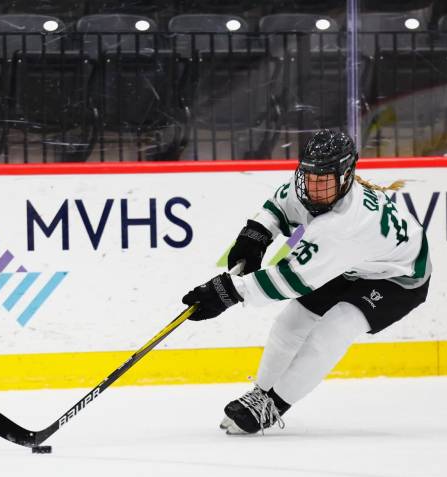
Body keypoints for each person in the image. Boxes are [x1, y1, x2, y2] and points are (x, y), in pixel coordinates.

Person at [182, 128, 432, 435]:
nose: (313, 188)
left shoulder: (345, 226)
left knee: (335, 328)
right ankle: (259, 394)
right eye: (309, 177)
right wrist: (255, 235)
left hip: (398, 278)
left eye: (322, 180)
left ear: (346, 176)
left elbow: (290, 280)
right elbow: (279, 206)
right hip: (354, 264)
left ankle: (273, 406)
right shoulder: (315, 184)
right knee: (290, 323)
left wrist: (228, 292)